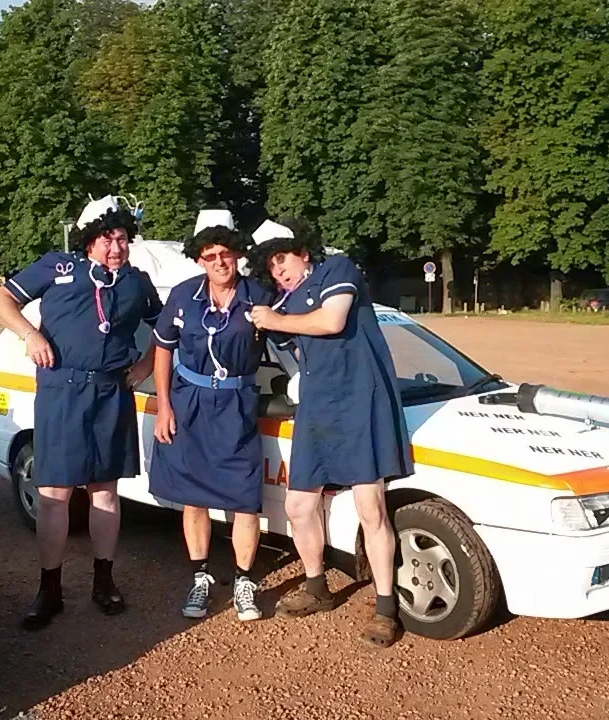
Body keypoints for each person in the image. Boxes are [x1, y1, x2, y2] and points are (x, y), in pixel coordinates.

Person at [0, 195, 163, 630]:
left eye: (122, 238)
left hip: (111, 393)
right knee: (55, 496)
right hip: (61, 391)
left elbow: (168, 328)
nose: (116, 246)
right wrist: (30, 335)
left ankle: (104, 582)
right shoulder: (56, 266)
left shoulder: (136, 282)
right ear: (89, 240)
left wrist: (144, 365)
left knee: (104, 491)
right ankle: (49, 590)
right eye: (107, 238)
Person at [247, 218, 413, 648]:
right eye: (270, 264)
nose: (278, 268)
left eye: (282, 257)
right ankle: (318, 587)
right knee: (300, 506)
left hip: (361, 399)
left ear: (302, 251)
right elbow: (297, 356)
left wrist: (273, 320)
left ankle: (385, 608)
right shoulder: (283, 302)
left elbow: (333, 321)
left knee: (370, 507)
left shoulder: (337, 269)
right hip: (318, 406)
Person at [149, 210, 274, 621]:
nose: (219, 261)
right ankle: (201, 578)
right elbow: (163, 349)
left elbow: (291, 342)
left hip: (236, 406)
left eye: (226, 253)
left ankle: (243, 581)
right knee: (194, 497)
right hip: (189, 403)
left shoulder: (258, 295)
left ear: (237, 254)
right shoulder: (184, 295)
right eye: (210, 255)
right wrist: (164, 405)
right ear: (199, 260)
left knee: (244, 499)